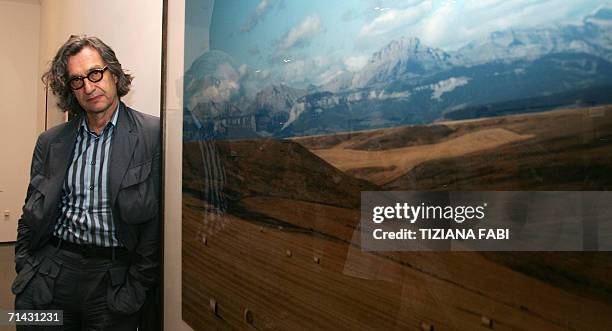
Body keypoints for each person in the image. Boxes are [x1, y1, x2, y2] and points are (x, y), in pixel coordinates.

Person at [12, 35, 160, 330]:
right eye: (77, 81)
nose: (89, 87)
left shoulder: (153, 135)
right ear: (70, 90)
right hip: (48, 279)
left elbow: (156, 227)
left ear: (114, 74)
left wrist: (138, 283)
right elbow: (30, 213)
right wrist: (25, 264)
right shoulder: (50, 141)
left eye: (95, 73)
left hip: (113, 284)